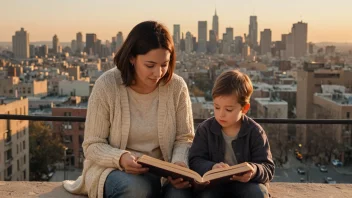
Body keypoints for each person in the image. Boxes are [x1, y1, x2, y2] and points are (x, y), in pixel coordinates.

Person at [63, 21, 194, 198]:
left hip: (165, 175)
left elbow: (184, 138)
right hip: (116, 170)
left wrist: (179, 164)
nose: (158, 72)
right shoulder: (107, 85)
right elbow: (92, 145)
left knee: (181, 195)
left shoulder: (176, 87)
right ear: (132, 58)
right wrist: (120, 158)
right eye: (150, 65)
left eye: (164, 64)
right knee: (136, 190)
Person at [188, 70, 275, 198]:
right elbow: (195, 160)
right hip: (214, 184)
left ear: (244, 108)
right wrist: (212, 167)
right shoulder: (205, 129)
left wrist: (253, 170)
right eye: (217, 107)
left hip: (246, 184)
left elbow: (268, 168)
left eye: (228, 109)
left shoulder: (255, 131)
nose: (221, 114)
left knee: (258, 194)